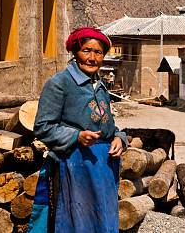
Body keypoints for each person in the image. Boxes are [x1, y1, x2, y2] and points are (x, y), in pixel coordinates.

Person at [28, 27, 127, 233]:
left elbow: (106, 124)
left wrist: (118, 137)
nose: (92, 58)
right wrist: (77, 136)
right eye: (86, 51)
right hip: (74, 166)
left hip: (103, 169)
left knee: (104, 221)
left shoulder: (100, 85)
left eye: (98, 52)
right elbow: (43, 127)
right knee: (77, 222)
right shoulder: (59, 84)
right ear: (75, 52)